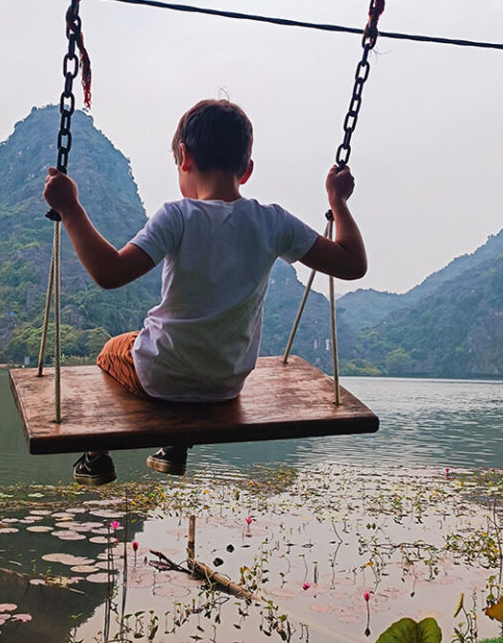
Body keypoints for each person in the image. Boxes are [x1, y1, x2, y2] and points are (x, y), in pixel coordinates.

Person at [43, 99, 367, 486]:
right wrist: (338, 202)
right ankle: (174, 446)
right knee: (170, 362)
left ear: (184, 157)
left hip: (160, 376)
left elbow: (109, 273)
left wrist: (70, 208)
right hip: (226, 385)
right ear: (246, 170)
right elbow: (352, 264)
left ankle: (96, 457)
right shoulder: (274, 222)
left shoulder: (177, 216)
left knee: (112, 350)